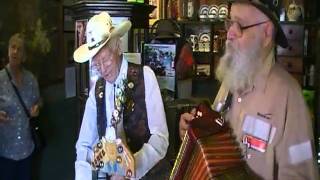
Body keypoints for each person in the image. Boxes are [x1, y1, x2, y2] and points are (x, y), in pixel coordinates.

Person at [179, 0, 319, 179]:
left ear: (267, 33)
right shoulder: (231, 80)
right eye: (229, 23)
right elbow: (215, 143)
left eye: (240, 25)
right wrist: (194, 133)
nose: (229, 33)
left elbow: (302, 175)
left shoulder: (289, 97)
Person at [73, 12, 169, 180]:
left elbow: (161, 138)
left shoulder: (145, 76)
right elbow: (83, 145)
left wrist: (131, 168)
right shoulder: (98, 91)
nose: (102, 69)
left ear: (117, 47)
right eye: (96, 64)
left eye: (106, 60)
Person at [0, 33, 41, 180]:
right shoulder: (0, 79)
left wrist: (37, 108)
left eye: (19, 49)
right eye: (13, 47)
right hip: (5, 152)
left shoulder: (31, 79)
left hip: (26, 150)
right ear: (8, 51)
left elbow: (38, 101)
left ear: (24, 56)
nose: (15, 51)